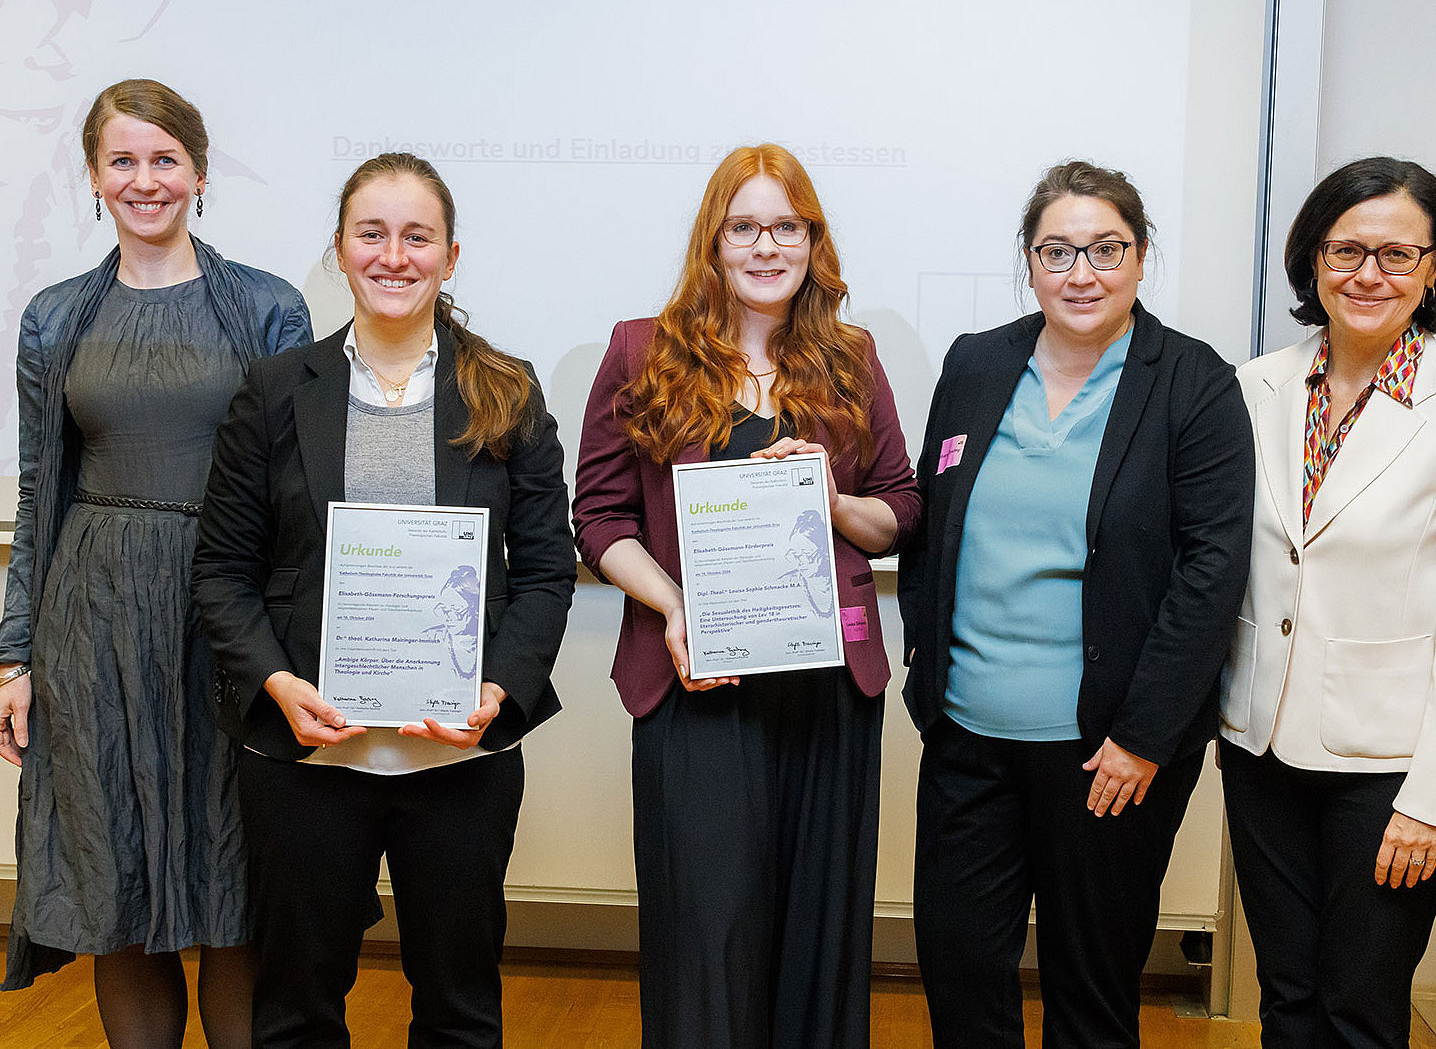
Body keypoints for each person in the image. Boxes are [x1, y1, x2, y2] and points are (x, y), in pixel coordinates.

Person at [189, 153, 575, 1049]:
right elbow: (222, 569)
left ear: (449, 255)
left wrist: (501, 691)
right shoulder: (278, 388)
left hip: (458, 756)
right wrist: (277, 683)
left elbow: (550, 568)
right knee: (296, 1010)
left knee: (460, 1009)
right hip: (308, 758)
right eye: (372, 233)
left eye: (417, 236)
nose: (393, 255)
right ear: (339, 248)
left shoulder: (506, 389)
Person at [899, 159, 1255, 1048]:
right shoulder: (978, 362)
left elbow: (1212, 568)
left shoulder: (1193, 382)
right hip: (967, 738)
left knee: (1090, 994)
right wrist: (924, 676)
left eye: (1107, 248)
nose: (1082, 272)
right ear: (1029, 262)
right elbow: (932, 524)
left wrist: (1145, 736)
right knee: (960, 972)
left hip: (1107, 755)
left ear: (1141, 258)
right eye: (1058, 251)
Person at [573, 143, 921, 1049]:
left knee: (820, 938)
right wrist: (674, 607)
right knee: (707, 937)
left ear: (812, 240)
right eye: (744, 226)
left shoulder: (851, 357)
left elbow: (902, 511)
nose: (766, 245)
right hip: (697, 684)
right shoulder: (640, 349)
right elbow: (601, 516)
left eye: (786, 226)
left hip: (828, 692)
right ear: (713, 240)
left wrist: (834, 498)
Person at [0, 79, 311, 1048]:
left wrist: (298, 646)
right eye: (123, 161)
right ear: (95, 178)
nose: (146, 179)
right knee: (115, 885)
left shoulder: (267, 306)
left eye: (165, 158)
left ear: (200, 173)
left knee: (235, 885)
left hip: (228, 620)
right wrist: (14, 655)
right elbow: (41, 485)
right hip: (91, 625)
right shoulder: (54, 319)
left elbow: (298, 492)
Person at [1218, 157, 1436, 1049]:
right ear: (1313, 259)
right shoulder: (1255, 387)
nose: (1368, 274)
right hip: (1261, 742)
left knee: (1360, 1007)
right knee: (1288, 997)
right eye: (1347, 249)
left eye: (1397, 254)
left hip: (1391, 767)